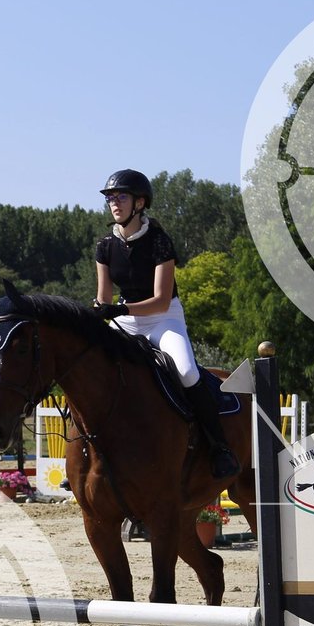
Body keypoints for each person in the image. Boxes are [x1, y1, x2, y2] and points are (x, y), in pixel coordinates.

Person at [92, 168, 239, 479]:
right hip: (125, 321)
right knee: (93, 368)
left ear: (139, 203)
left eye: (121, 197)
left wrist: (119, 309)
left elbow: (160, 300)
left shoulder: (160, 242)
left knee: (186, 371)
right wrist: (99, 311)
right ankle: (86, 451)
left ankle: (219, 447)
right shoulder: (105, 246)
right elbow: (103, 298)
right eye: (110, 198)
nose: (114, 203)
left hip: (163, 318)